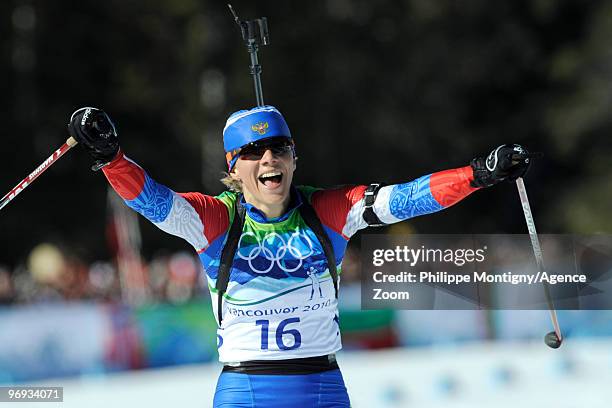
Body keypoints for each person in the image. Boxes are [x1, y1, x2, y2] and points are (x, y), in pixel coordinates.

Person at [67, 105, 532, 407]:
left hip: (322, 388)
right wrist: (111, 156)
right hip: (247, 390)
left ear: (293, 158)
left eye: (279, 148)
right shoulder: (214, 220)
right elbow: (151, 200)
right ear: (234, 167)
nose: (269, 158)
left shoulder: (330, 210)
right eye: (253, 151)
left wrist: (477, 174)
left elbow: (406, 198)